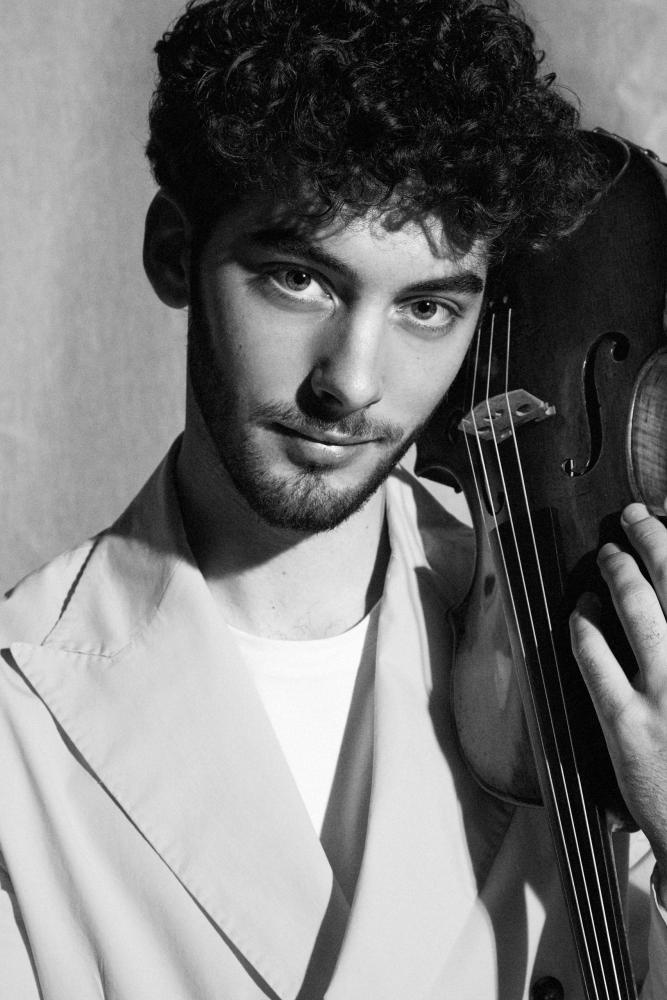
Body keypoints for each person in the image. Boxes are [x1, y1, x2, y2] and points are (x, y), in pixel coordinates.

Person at [2, 1, 667, 997]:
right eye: (297, 280)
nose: (352, 383)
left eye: (426, 307)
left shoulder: (596, 648)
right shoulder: (18, 722)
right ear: (176, 251)